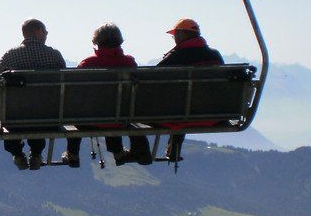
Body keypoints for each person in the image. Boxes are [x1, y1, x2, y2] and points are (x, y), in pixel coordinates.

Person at [63, 23, 152, 167]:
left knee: (80, 113)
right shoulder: (129, 63)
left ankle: (72, 154)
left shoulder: (87, 64)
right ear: (120, 41)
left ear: (97, 42)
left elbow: (74, 93)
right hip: (120, 119)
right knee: (115, 109)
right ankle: (118, 152)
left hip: (89, 120)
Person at [0, 18, 66, 170]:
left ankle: (17, 153)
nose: (46, 35)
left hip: (15, 117)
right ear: (38, 31)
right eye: (45, 31)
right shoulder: (54, 55)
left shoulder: (10, 55)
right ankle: (36, 154)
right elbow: (65, 81)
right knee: (39, 111)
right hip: (48, 116)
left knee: (15, 116)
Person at [157, 18, 225, 162]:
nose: (174, 39)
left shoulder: (174, 57)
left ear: (182, 35)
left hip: (179, 116)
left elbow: (150, 80)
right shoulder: (215, 56)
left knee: (180, 106)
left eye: (174, 35)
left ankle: (169, 148)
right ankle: (174, 149)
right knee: (188, 103)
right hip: (213, 115)